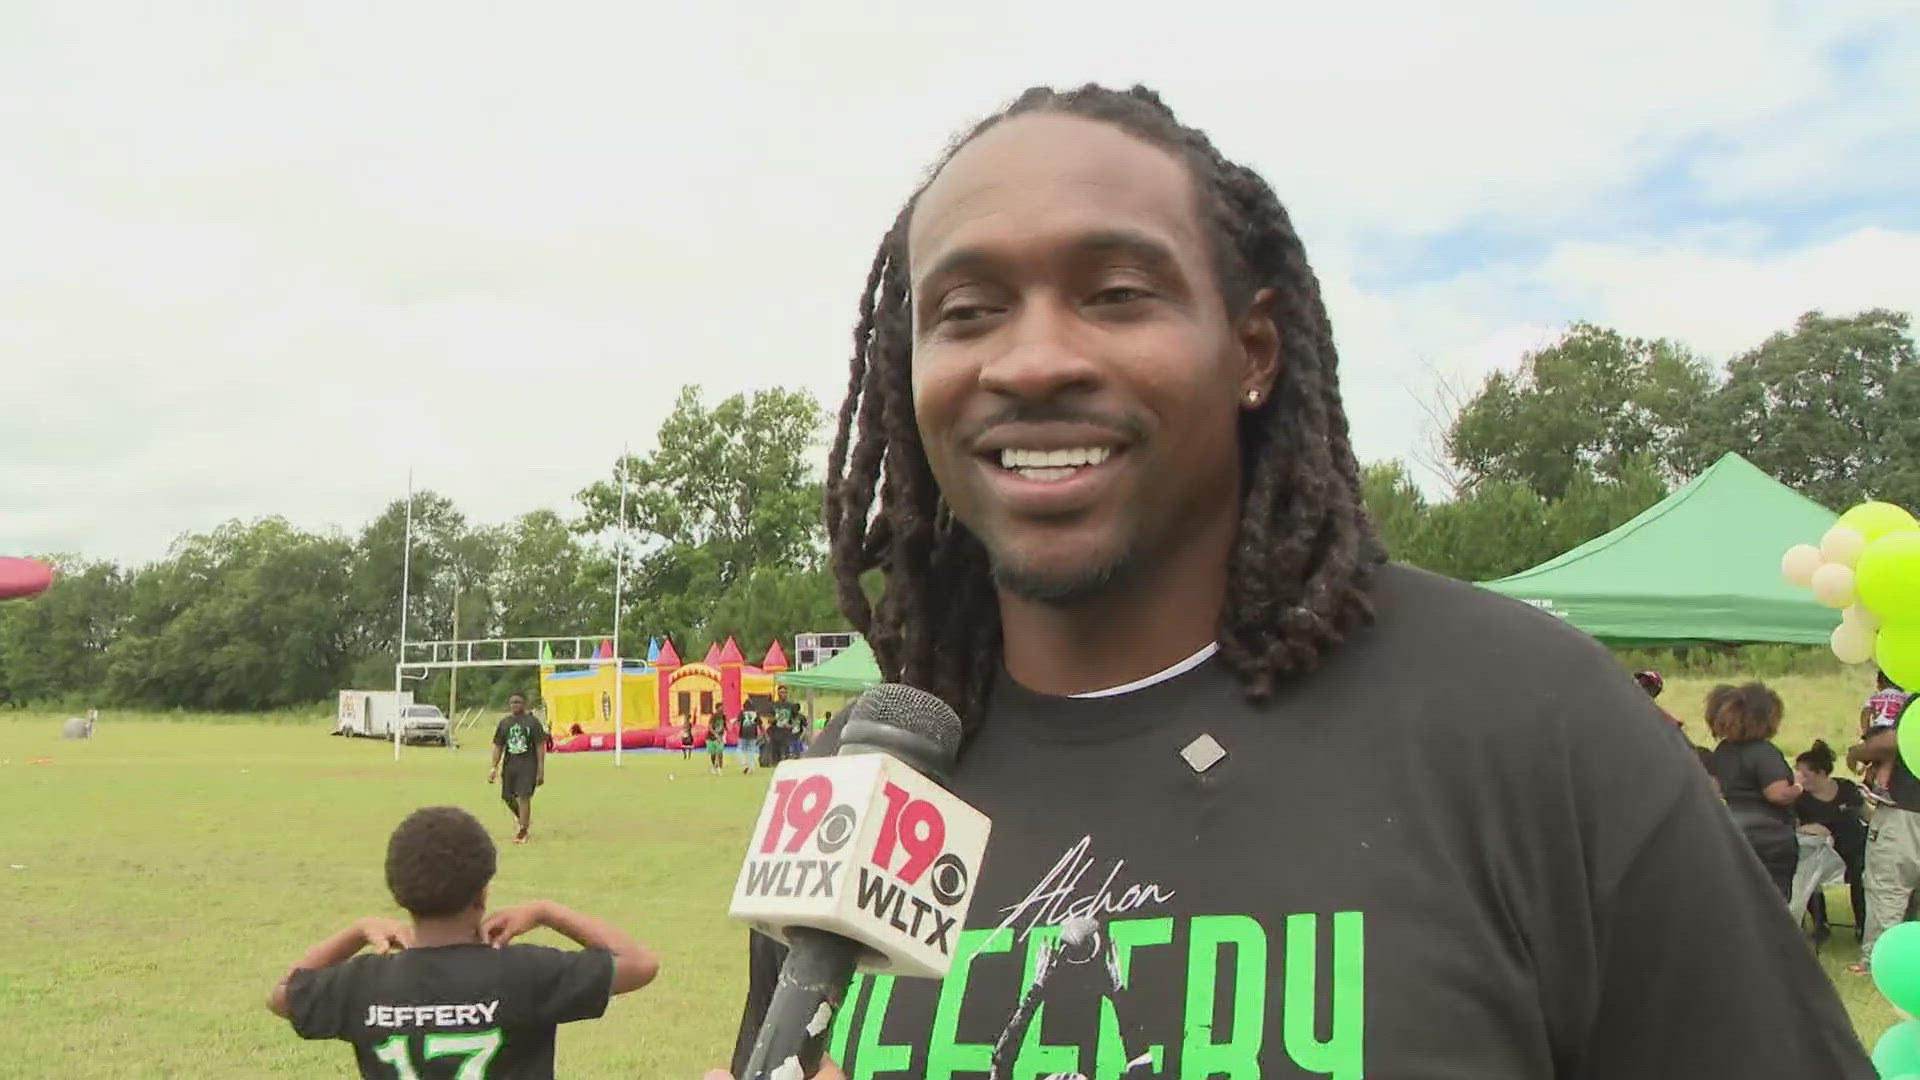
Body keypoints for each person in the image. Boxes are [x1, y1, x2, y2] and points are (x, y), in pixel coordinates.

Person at [714, 84, 1872, 1078]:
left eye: (1117, 294)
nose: (1031, 359)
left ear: (1254, 352)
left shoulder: (1530, 724)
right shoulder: (863, 787)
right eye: (967, 313)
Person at [268, 806, 658, 1078]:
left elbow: (282, 994)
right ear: (483, 893)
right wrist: (545, 911)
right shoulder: (525, 972)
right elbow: (640, 964)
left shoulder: (362, 982)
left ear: (398, 893)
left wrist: (356, 931)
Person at [1706, 682, 1801, 900]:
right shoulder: (1764, 752)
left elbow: (1713, 788)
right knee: (1773, 900)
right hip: (1769, 835)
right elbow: (1776, 794)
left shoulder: (1722, 750)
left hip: (1731, 829)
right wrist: (1797, 787)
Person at [1850, 692, 1920, 976]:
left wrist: (1858, 752)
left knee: (1888, 887)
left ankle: (1879, 961)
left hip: (1905, 814)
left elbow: (1892, 740)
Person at [1796, 739, 1869, 943]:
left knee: (1860, 876)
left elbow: (1867, 816)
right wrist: (1806, 828)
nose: (1798, 778)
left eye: (1804, 774)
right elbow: (1791, 827)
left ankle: (1862, 926)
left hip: (1853, 848)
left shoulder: (1847, 789)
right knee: (1808, 874)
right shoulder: (1800, 799)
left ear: (1820, 773)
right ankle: (1821, 924)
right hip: (1819, 853)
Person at [488, 693, 545, 845]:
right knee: (507, 797)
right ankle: (523, 819)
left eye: (518, 702)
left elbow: (540, 746)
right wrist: (493, 767)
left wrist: (540, 769)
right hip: (510, 765)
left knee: (524, 796)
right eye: (512, 702)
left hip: (528, 765)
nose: (514, 705)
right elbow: (498, 745)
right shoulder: (505, 723)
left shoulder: (532, 723)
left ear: (524, 704)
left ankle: (523, 830)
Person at [1862, 671, 1908, 802]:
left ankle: (1867, 784)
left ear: (1880, 682)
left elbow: (1865, 713)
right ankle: (1883, 788)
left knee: (1876, 760)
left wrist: (1865, 732)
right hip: (1891, 732)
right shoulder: (1904, 698)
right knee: (1890, 760)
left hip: (1875, 730)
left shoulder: (1876, 696)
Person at [737, 705, 761, 774]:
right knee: (751, 751)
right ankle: (752, 767)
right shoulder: (755, 713)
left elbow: (739, 722)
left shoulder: (742, 712)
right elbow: (759, 723)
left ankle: (744, 764)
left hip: (743, 734)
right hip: (753, 734)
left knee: (740, 750)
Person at [706, 708, 727, 776]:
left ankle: (719, 769)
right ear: (717, 709)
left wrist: (723, 736)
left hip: (720, 738)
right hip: (711, 738)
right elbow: (710, 726)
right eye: (720, 708)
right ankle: (713, 767)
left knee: (720, 753)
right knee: (713, 754)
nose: (722, 709)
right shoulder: (713, 716)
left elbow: (724, 727)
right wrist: (715, 734)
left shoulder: (723, 717)